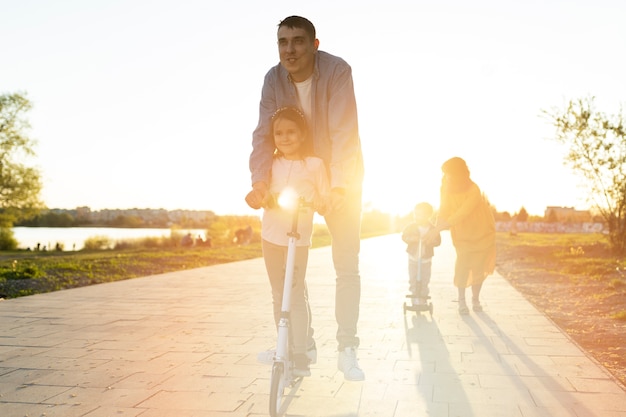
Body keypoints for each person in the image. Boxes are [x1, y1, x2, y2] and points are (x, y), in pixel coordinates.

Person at [247, 16, 365, 381]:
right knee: (288, 271)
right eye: (283, 42)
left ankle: (347, 347)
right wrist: (261, 182)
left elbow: (344, 132)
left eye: (298, 41)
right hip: (295, 177)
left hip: (339, 176)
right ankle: (301, 346)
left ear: (314, 44)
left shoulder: (336, 71)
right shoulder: (273, 79)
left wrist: (340, 188)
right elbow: (263, 135)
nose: (290, 50)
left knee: (345, 262)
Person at [246, 106, 329, 377]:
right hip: (271, 236)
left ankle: (300, 352)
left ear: (302, 134)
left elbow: (325, 198)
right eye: (278, 132)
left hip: (298, 238)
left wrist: (319, 201)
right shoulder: (270, 163)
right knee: (277, 294)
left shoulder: (314, 164)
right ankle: (283, 347)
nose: (284, 137)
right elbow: (262, 192)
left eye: (291, 131)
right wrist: (258, 197)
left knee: (294, 295)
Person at [425, 157, 496, 315]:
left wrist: (436, 230)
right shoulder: (445, 184)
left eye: (450, 174)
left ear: (460, 174)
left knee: (478, 267)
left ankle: (475, 299)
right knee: (462, 264)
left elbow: (461, 214)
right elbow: (444, 208)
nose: (447, 177)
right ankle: (461, 300)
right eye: (445, 174)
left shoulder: (474, 190)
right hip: (462, 233)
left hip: (481, 231)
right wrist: (436, 227)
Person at [401, 202, 441, 306]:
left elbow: (438, 241)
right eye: (416, 214)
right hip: (413, 258)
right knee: (413, 278)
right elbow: (404, 236)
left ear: (428, 215)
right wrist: (411, 239)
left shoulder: (432, 228)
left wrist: (430, 241)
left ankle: (423, 297)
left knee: (425, 279)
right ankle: (414, 296)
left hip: (426, 259)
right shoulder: (411, 227)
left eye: (420, 215)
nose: (417, 217)